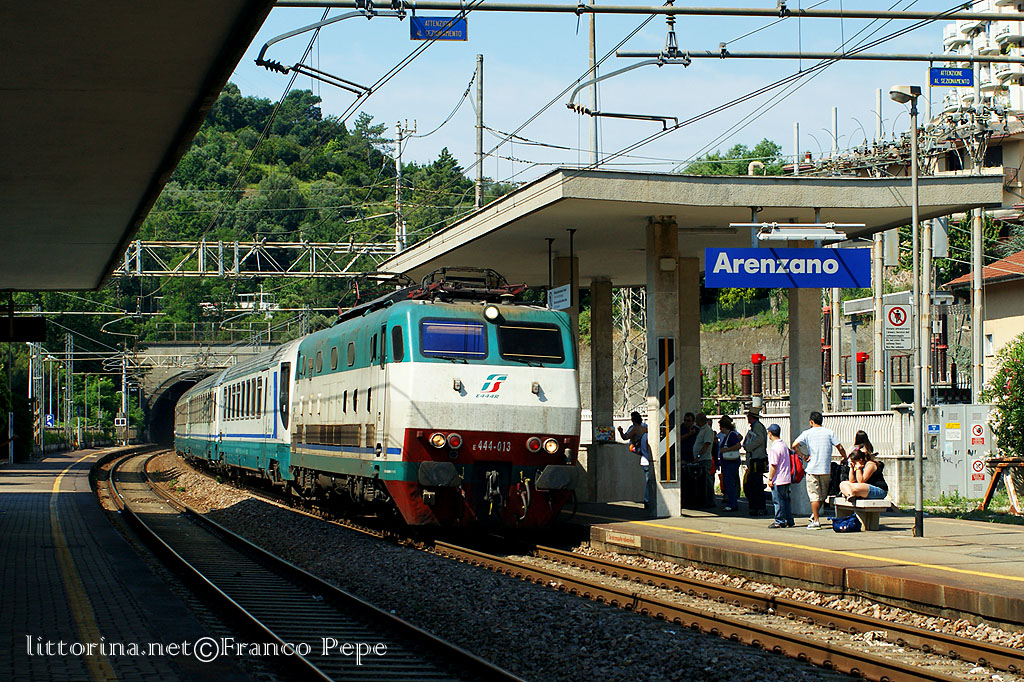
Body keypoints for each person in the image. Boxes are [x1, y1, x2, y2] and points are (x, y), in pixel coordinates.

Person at [792, 411, 846, 529]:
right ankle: (814, 514)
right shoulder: (829, 432)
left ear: (811, 422)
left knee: (814, 495)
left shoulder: (807, 433)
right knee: (823, 495)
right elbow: (840, 446)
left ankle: (816, 520)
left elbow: (794, 445)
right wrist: (845, 457)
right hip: (825, 468)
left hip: (812, 469)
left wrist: (803, 456)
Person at [839, 431, 888, 500]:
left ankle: (850, 493)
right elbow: (852, 480)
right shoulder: (857, 464)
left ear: (860, 459)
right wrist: (852, 469)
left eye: (854, 461)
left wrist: (858, 468)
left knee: (856, 487)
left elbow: (861, 481)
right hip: (864, 487)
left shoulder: (870, 464)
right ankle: (850, 495)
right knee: (843, 484)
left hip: (878, 489)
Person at [618, 411, 653, 508]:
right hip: (648, 457)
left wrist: (620, 431)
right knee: (649, 481)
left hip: (643, 456)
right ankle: (649, 499)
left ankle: (647, 499)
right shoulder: (646, 428)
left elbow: (625, 437)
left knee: (648, 481)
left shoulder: (634, 429)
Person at [765, 423, 794, 528]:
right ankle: (789, 520)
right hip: (786, 477)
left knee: (777, 500)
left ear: (770, 433)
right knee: (786, 500)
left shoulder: (774, 448)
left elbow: (774, 465)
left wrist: (770, 479)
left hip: (778, 478)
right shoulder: (783, 445)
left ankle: (779, 520)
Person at [742, 410, 769, 516]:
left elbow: (759, 440)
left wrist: (749, 447)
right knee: (753, 484)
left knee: (756, 485)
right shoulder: (754, 427)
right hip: (754, 459)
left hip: (757, 459)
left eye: (748, 416)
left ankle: (759, 507)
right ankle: (756, 506)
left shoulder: (757, 427)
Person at [717, 416, 743, 511]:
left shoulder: (731, 435)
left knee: (729, 482)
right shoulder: (728, 435)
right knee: (728, 482)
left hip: (730, 463)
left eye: (721, 426)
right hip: (727, 462)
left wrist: (726, 450)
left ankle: (732, 503)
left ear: (724, 427)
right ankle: (732, 502)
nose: (720, 429)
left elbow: (738, 445)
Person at [693, 413, 716, 507]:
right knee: (702, 482)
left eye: (696, 420)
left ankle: (710, 501)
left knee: (707, 481)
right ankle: (704, 500)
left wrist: (698, 456)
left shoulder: (707, 430)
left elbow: (706, 444)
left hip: (704, 459)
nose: (695, 422)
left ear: (701, 420)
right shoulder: (701, 430)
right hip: (700, 459)